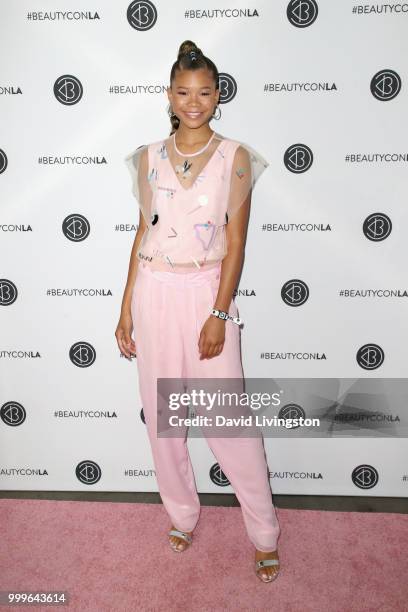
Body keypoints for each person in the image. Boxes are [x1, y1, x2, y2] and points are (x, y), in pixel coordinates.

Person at [115, 40, 281, 583]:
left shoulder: (235, 158)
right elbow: (144, 234)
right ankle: (182, 515)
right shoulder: (146, 157)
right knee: (165, 425)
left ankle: (263, 534)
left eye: (204, 92)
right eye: (184, 92)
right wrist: (125, 310)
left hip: (206, 292)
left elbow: (236, 245)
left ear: (217, 96)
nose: (194, 101)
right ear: (169, 95)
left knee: (227, 423)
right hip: (153, 291)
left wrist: (218, 312)